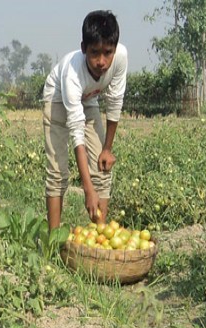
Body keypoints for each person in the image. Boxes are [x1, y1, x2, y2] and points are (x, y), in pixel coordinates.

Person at [42, 10, 127, 229]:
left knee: (102, 166)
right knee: (57, 171)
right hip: (58, 98)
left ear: (115, 49)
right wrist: (87, 189)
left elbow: (115, 103)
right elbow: (76, 131)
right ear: (83, 49)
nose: (102, 61)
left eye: (108, 52)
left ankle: (100, 237)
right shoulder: (72, 73)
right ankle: (54, 241)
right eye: (94, 53)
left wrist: (107, 149)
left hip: (88, 98)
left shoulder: (120, 59)